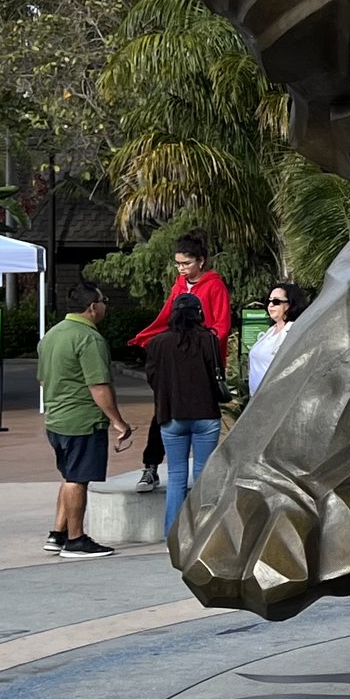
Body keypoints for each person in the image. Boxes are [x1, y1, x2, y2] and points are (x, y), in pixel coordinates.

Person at [130, 239, 235, 490]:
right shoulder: (179, 285)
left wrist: (201, 346)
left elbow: (221, 326)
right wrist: (157, 341)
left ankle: (199, 483)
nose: (181, 268)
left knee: (190, 420)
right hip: (176, 357)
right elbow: (166, 317)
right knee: (162, 412)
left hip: (200, 360)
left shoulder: (214, 286)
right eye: (178, 264)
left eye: (186, 263)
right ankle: (151, 466)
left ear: (201, 261)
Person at [39, 284, 134, 558]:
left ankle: (57, 534)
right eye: (104, 301)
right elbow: (99, 386)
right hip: (82, 420)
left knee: (70, 474)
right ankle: (76, 539)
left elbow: (44, 380)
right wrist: (118, 421)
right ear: (92, 307)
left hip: (56, 419)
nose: (106, 306)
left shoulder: (52, 335)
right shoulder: (89, 339)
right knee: (78, 479)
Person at [146, 291, 229, 533]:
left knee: (176, 475)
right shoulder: (208, 339)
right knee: (203, 475)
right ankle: (202, 531)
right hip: (205, 413)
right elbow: (218, 374)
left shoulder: (158, 343)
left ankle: (172, 532)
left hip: (171, 415)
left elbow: (152, 377)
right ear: (198, 314)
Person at [246, 282, 307, 393]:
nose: (271, 305)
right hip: (256, 399)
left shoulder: (295, 331)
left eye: (276, 301)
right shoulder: (270, 331)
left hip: (277, 398)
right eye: (269, 300)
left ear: (290, 304)